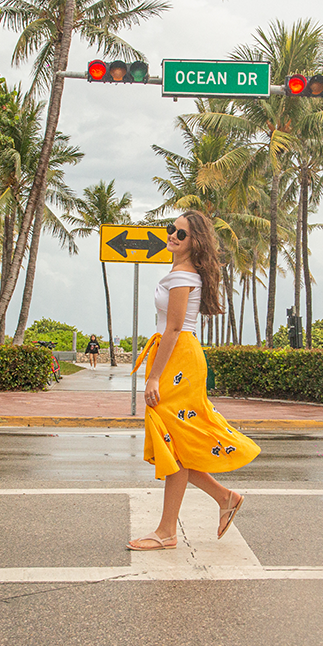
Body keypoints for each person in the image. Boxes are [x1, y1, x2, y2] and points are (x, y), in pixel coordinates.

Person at [127, 210, 260, 551]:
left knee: (174, 440)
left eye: (181, 234)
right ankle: (221, 499)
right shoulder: (181, 272)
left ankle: (168, 531)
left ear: (195, 241)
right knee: (177, 443)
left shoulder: (184, 276)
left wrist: (155, 375)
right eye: (172, 230)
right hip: (179, 357)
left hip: (178, 360)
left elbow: (173, 328)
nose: (172, 236)